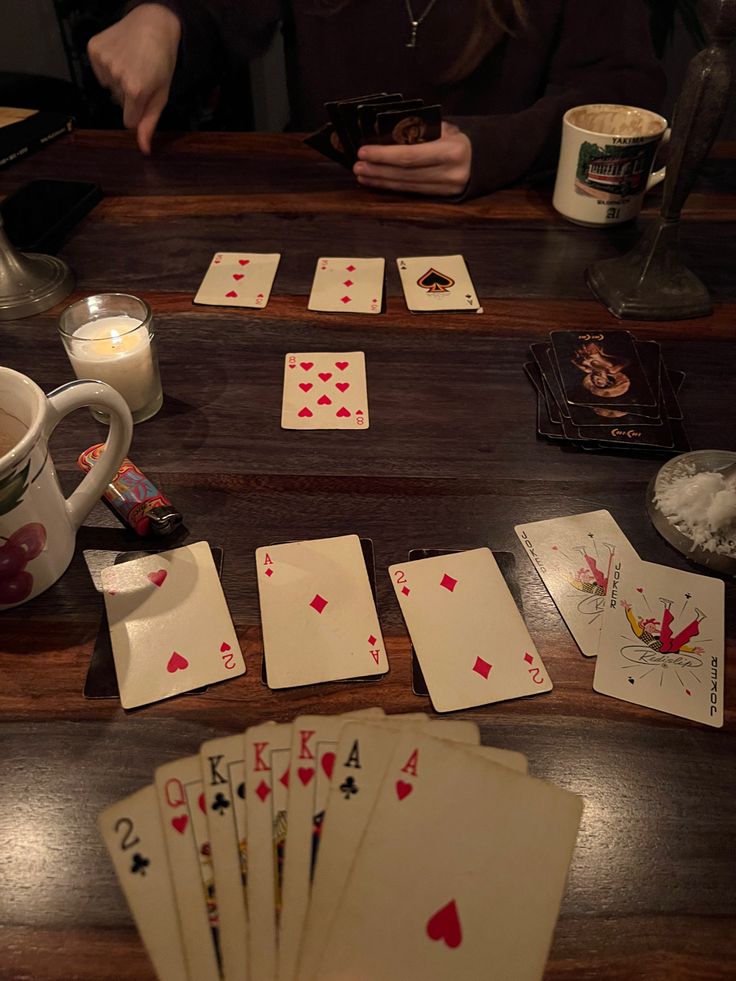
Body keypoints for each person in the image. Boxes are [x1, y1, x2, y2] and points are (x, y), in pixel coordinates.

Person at [87, 0, 665, 199]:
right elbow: (216, 14)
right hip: (329, 203)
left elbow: (624, 92)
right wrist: (164, 18)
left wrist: (499, 149)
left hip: (514, 215)